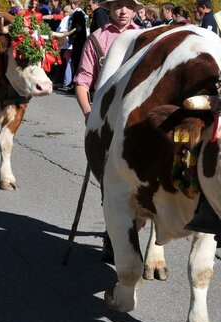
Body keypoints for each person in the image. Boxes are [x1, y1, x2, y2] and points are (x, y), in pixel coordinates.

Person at [73, 0, 142, 262]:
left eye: (128, 5)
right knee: (112, 186)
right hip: (108, 126)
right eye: (118, 5)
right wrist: (90, 115)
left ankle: (131, 231)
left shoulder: (147, 37)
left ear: (136, 9)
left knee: (142, 184)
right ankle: (114, 235)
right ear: (109, 8)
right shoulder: (97, 38)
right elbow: (82, 81)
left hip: (138, 124)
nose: (122, 10)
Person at [67, 0, 88, 94]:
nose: (70, 5)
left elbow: (77, 28)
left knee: (76, 63)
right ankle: (73, 83)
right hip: (81, 40)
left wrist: (71, 35)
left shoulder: (77, 13)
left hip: (78, 40)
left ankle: (75, 85)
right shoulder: (81, 13)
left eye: (71, 3)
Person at [56, 5, 74, 91]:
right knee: (69, 62)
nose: (63, 13)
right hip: (70, 44)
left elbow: (61, 31)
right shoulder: (72, 18)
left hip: (65, 44)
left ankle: (66, 81)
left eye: (64, 11)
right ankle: (68, 81)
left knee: (66, 63)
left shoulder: (65, 19)